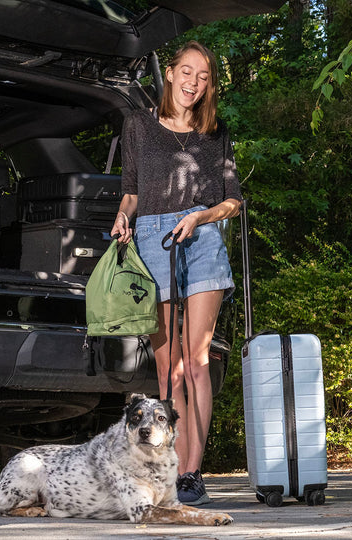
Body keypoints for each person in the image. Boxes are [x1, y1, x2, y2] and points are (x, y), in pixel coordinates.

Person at [110, 41, 242, 506]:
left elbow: (233, 199)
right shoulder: (138, 125)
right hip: (150, 237)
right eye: (187, 72)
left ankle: (191, 473)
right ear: (170, 74)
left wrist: (202, 217)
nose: (194, 82)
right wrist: (124, 216)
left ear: (209, 85)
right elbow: (130, 190)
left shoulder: (215, 133)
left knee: (198, 361)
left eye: (203, 77)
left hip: (201, 237)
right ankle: (168, 468)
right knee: (169, 368)